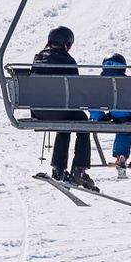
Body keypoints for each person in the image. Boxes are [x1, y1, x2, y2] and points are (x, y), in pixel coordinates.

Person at [31, 26, 98, 191]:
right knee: (81, 120)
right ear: (67, 45)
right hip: (60, 110)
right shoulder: (68, 61)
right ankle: (79, 170)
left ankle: (59, 169)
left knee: (65, 123)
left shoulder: (38, 59)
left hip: (39, 112)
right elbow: (74, 91)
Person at [88, 53, 131, 178]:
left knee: (123, 129)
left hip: (118, 117)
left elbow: (93, 105)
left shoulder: (99, 83)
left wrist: (101, 117)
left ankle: (121, 155)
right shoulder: (127, 83)